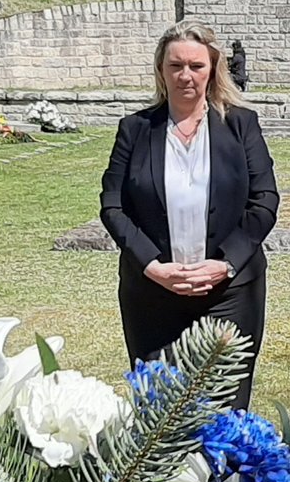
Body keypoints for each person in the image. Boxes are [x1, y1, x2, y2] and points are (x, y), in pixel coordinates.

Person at [100, 21, 280, 409]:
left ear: (213, 69)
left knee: (224, 412)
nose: (186, 76)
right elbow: (112, 205)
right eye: (175, 66)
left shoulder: (240, 125)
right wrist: (151, 265)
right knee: (157, 414)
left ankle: (222, 474)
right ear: (161, 71)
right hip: (151, 294)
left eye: (196, 66)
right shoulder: (135, 129)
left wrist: (224, 264)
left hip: (230, 294)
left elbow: (264, 201)